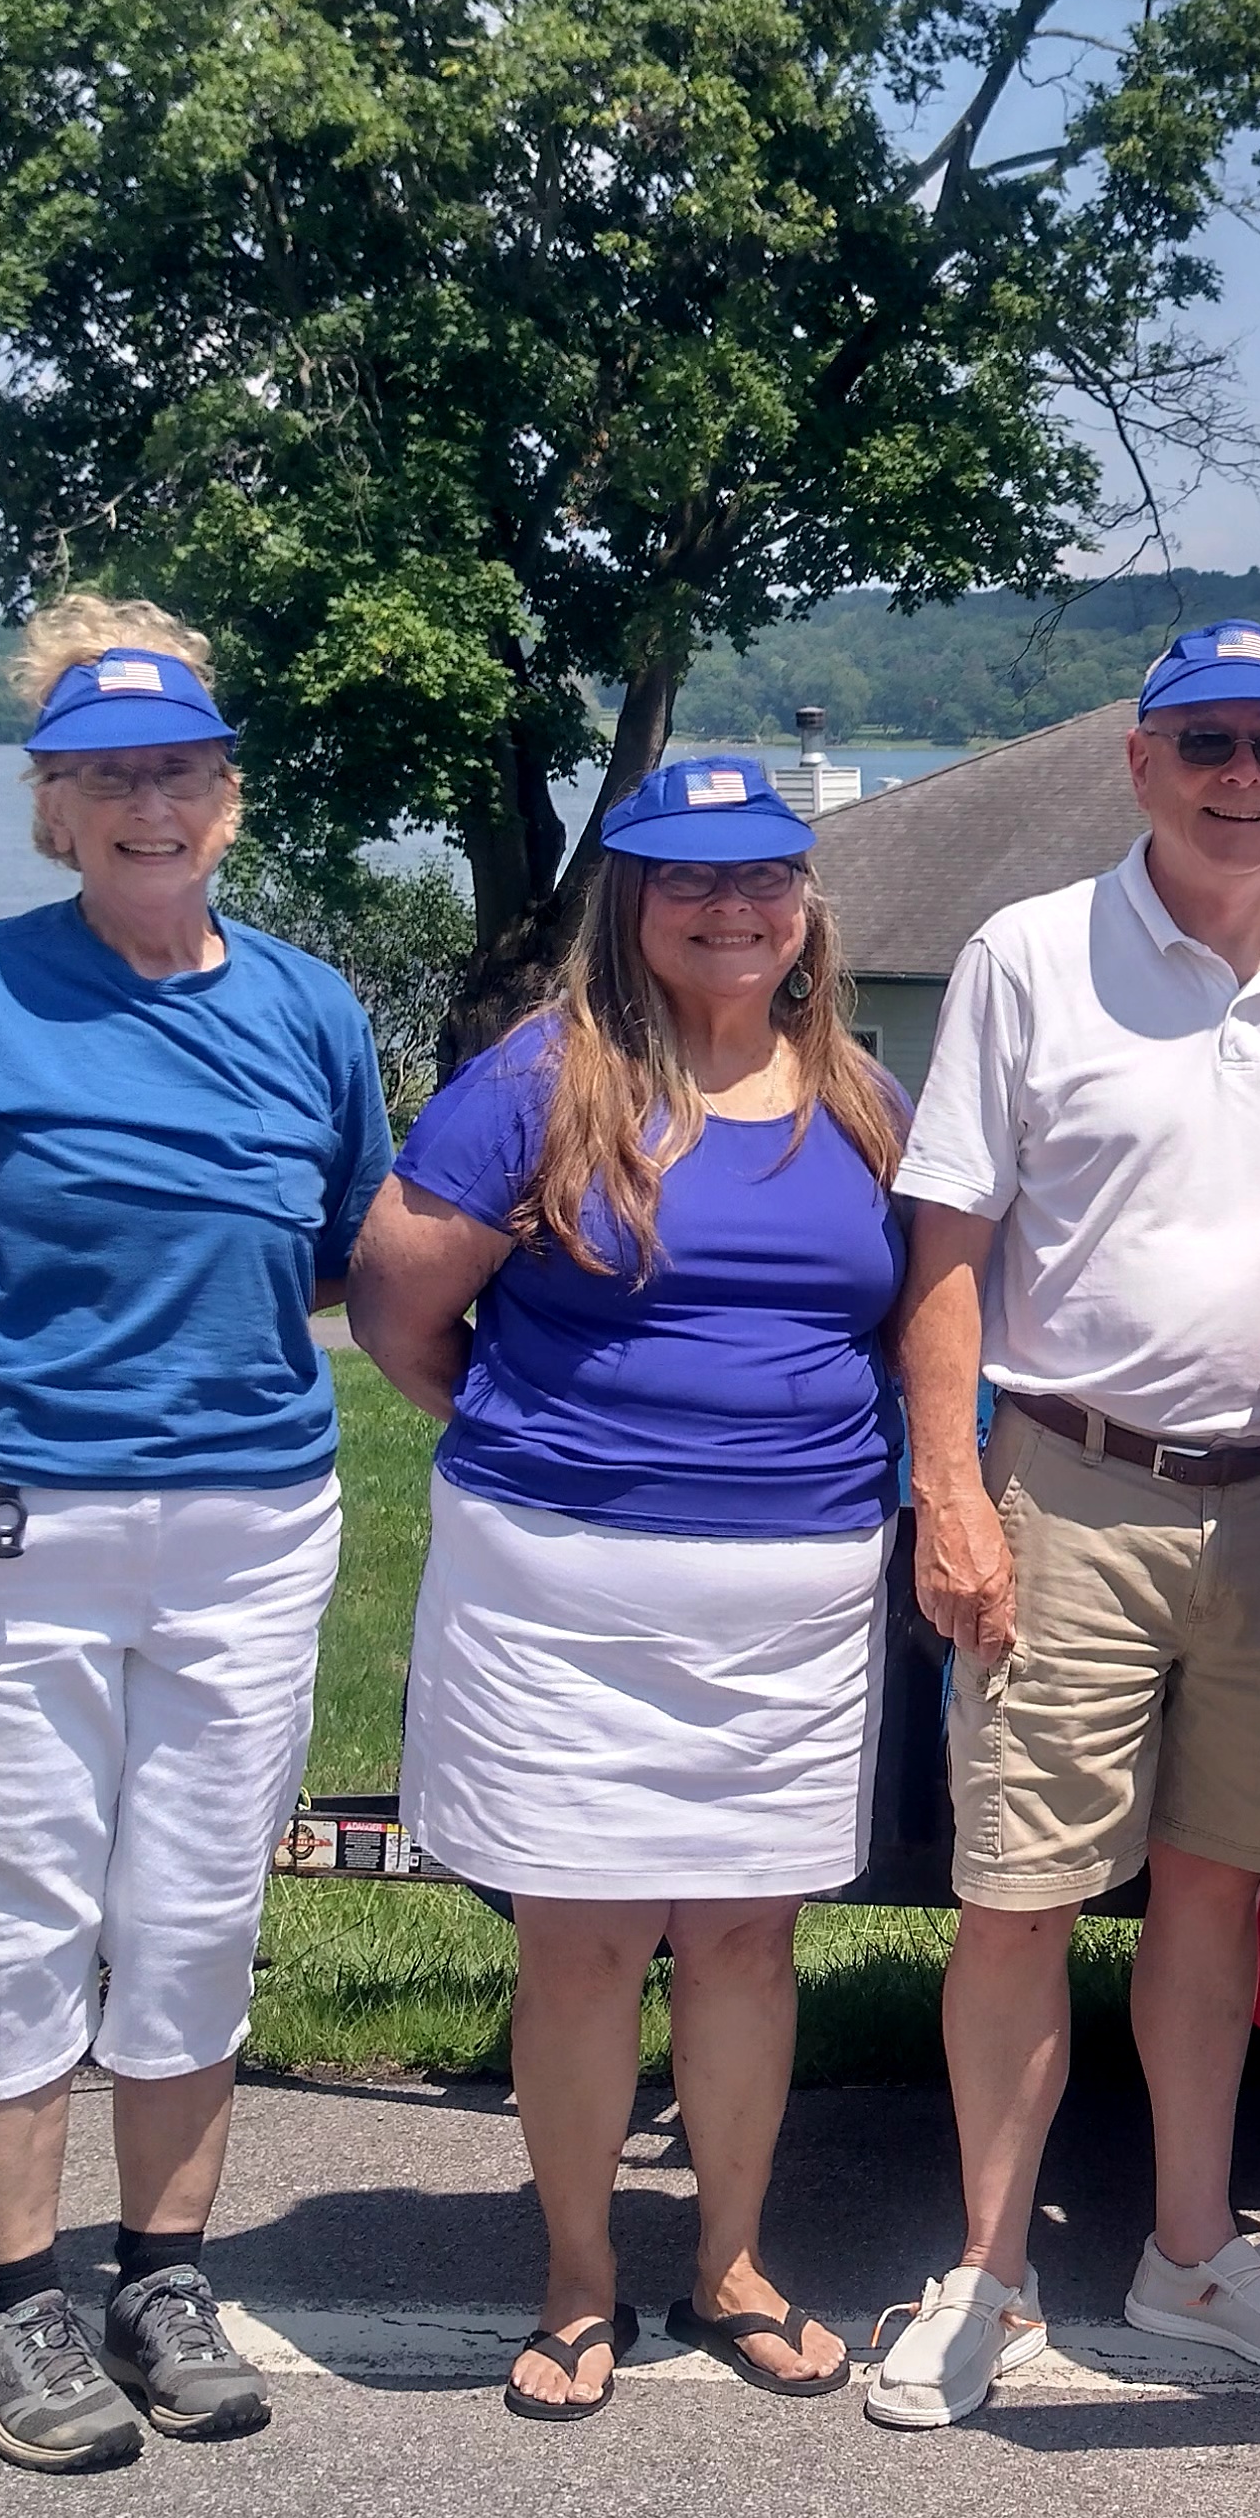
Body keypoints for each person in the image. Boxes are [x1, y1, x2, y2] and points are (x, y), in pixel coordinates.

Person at [0, 600, 391, 2474]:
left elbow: (364, 1264)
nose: (152, 805)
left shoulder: (307, 1005)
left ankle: (160, 2276)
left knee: (197, 1918)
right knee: (8, 1931)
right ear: (54, 810)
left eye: (182, 772)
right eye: (109, 777)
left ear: (228, 798)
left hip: (250, 1531)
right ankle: (8, 2311)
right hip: (2, 1527)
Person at [867, 624, 1260, 2429]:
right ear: (1143, 762)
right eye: (1206, 743)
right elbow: (943, 1241)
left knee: (1217, 1888)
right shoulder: (1028, 955)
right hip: (1066, 1483)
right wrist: (948, 1486)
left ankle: (1190, 2253)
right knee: (1019, 1891)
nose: (1240, 775)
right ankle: (990, 2274)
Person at [348, 755, 899, 2421]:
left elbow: (901, 1314)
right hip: (562, 1593)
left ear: (804, 906)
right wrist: (544, 1434)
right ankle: (581, 2281)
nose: (730, 909)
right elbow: (394, 1303)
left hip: (799, 1596)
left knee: (745, 1936)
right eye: (688, 880)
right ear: (632, 902)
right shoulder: (541, 1080)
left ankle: (730, 2262)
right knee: (581, 1946)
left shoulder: (861, 1091)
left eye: (761, 880)